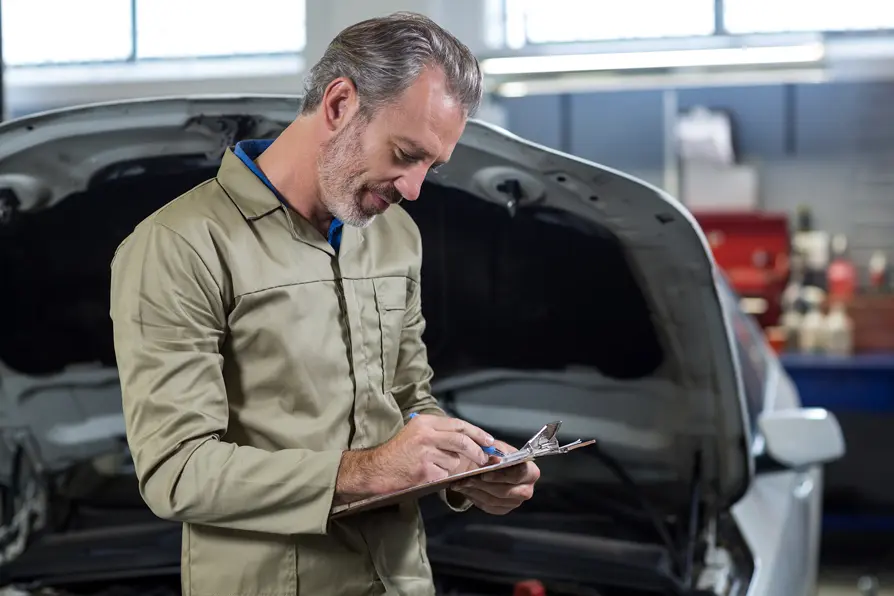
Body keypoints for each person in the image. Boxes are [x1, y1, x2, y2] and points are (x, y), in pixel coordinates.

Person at [109, 11, 541, 596]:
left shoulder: (396, 234)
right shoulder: (179, 245)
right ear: (339, 104)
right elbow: (177, 472)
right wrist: (370, 470)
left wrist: (469, 464)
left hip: (402, 580)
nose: (414, 189)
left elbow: (409, 400)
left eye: (431, 167)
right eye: (405, 153)